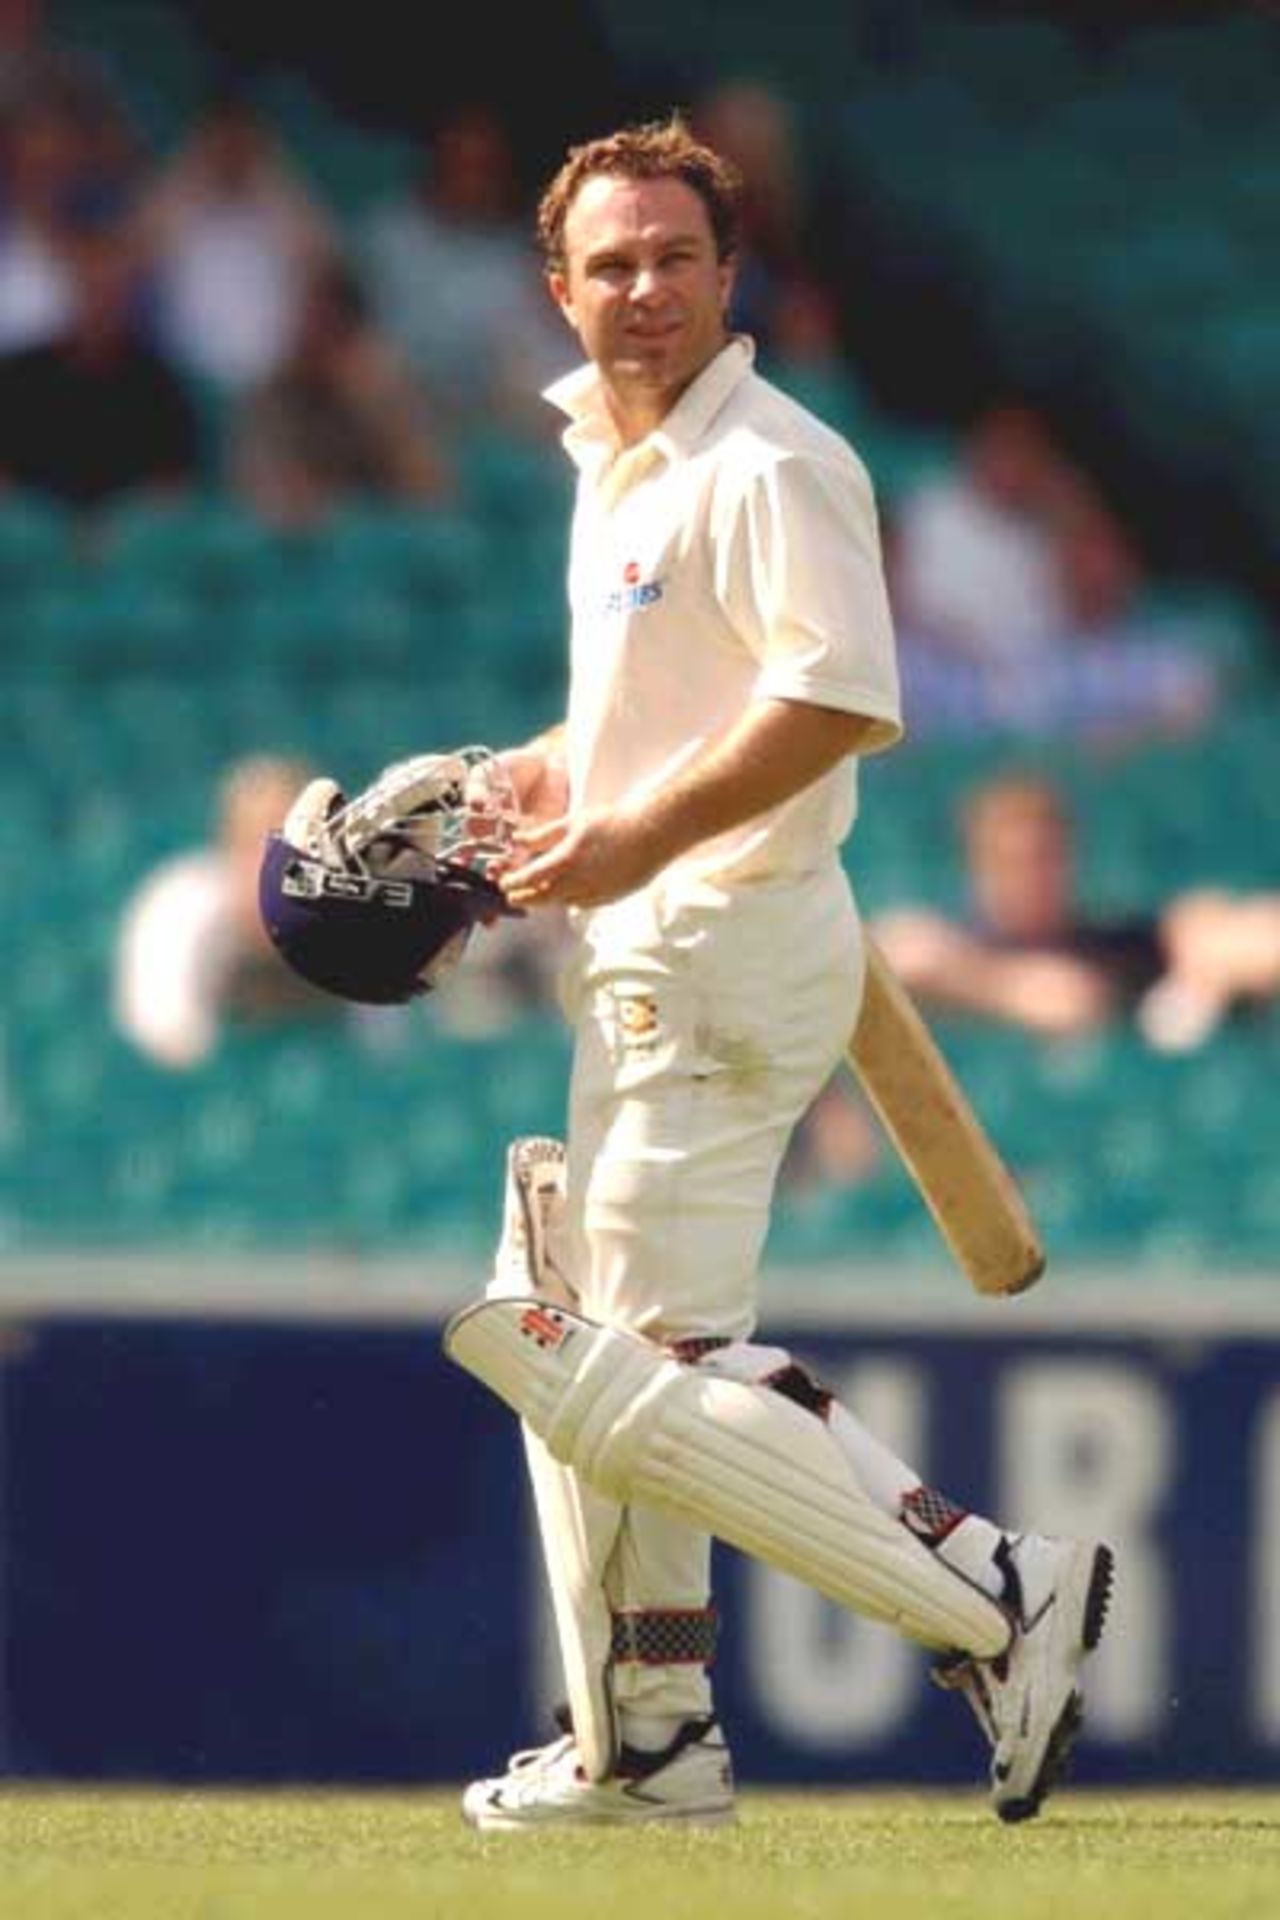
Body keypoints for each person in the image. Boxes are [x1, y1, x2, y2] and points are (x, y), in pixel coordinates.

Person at [271, 117, 1113, 1830]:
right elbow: (657, 716)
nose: (643, 290)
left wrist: (636, 844)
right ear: (557, 288)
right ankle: (647, 1735)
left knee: (609, 1360)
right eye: (610, 263)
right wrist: (533, 778)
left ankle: (996, 1593)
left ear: (731, 276)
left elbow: (832, 699)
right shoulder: (622, 463)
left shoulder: (773, 462)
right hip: (658, 941)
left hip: (723, 946)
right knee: (637, 1351)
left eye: (674, 257)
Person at [872, 773, 1279, 1052]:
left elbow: (1253, 934)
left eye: (1046, 858)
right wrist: (1004, 988)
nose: (1032, 877)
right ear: (977, 864)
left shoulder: (1111, 941)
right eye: (1013, 861)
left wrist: (1200, 974)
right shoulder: (962, 944)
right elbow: (896, 954)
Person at [114, 753, 342, 1070]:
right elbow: (164, 1050)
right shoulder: (179, 913)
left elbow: (390, 1054)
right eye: (257, 845)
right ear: (228, 849)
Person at [0, 190, 201, 508]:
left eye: (110, 269)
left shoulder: (160, 384)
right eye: (88, 268)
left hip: (129, 548)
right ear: (70, 276)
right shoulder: (19, 376)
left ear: (129, 284)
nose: (99, 283)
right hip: (39, 543)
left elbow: (172, 490)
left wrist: (117, 535)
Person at [227, 256, 451, 529]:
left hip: (383, 542)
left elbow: (430, 493)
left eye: (326, 321)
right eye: (305, 316)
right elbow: (257, 487)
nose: (311, 331)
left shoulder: (391, 388)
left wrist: (370, 404)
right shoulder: (274, 391)